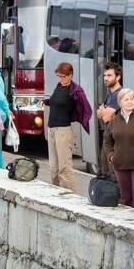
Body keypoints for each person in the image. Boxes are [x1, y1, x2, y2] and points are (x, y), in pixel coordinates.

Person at [43, 62, 92, 192]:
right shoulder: (59, 86)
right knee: (53, 167)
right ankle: (55, 192)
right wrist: (45, 102)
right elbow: (55, 101)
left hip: (63, 130)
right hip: (51, 128)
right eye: (59, 76)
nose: (61, 79)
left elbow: (86, 108)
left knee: (64, 166)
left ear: (70, 75)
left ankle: (71, 195)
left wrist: (83, 120)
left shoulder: (75, 90)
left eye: (63, 76)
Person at [104, 89, 134, 212]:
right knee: (125, 198)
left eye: (132, 99)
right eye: (126, 99)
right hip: (120, 165)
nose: (130, 102)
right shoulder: (114, 120)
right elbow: (107, 141)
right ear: (120, 102)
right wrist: (111, 156)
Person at [96, 62, 123, 174]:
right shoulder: (109, 94)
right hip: (108, 138)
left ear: (118, 77)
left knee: (113, 174)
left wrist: (103, 110)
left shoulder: (119, 94)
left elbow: (105, 118)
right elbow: (98, 114)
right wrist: (103, 111)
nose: (106, 78)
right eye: (104, 75)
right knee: (105, 172)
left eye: (109, 75)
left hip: (115, 141)